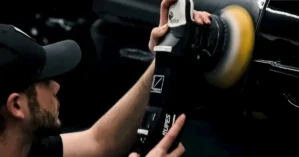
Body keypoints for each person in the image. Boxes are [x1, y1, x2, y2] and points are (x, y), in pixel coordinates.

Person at [0, 0, 211, 157]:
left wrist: (166, 53)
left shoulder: (24, 147)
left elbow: (100, 142)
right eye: (45, 81)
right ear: (17, 105)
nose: (56, 86)